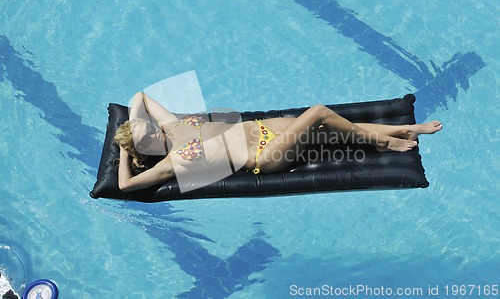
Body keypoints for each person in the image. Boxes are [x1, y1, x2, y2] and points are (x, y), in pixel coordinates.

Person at [114, 92, 442, 192]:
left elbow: (140, 96)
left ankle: (407, 127)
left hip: (262, 129)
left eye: (149, 127)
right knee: (318, 114)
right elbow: (127, 185)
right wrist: (124, 152)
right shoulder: (172, 163)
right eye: (148, 138)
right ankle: (386, 144)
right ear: (145, 150)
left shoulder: (171, 127)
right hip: (266, 156)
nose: (154, 131)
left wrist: (130, 126)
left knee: (331, 128)